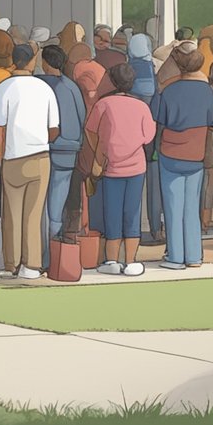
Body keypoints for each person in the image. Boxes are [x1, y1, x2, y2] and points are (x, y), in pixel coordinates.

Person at [0, 43, 59, 279]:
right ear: (31, 62)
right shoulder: (44, 88)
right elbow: (54, 129)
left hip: (12, 156)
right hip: (40, 156)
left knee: (11, 213)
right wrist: (38, 139)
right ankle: (32, 264)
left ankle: (12, 264)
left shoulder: (3, 88)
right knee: (34, 213)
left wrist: (1, 158)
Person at [86, 64, 156, 276]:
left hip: (110, 167)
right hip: (136, 166)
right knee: (133, 213)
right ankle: (132, 260)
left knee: (112, 214)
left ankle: (111, 260)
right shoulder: (142, 106)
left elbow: (90, 131)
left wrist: (101, 149)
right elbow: (149, 136)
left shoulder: (103, 104)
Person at [152, 47, 213, 269]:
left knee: (173, 207)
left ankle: (175, 256)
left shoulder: (169, 90)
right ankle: (194, 256)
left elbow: (160, 119)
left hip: (171, 153)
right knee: (191, 207)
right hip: (197, 153)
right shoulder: (207, 91)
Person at [37, 45, 85, 258]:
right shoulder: (71, 87)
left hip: (40, 148)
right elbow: (82, 117)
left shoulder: (37, 84)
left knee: (39, 204)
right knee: (57, 204)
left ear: (45, 63)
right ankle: (53, 253)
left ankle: (41, 251)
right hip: (68, 150)